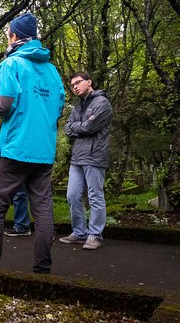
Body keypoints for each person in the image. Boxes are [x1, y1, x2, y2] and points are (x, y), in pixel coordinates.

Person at [0, 11, 65, 274]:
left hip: (14, 148)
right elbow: (59, 108)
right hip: (43, 151)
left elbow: (3, 105)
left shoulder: (11, 64)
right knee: (42, 210)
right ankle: (42, 268)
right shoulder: (52, 71)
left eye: (8, 34)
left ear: (14, 36)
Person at [59, 71, 113, 250]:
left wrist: (79, 126)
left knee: (95, 196)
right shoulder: (77, 106)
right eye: (72, 84)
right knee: (72, 196)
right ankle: (79, 232)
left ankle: (95, 235)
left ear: (89, 82)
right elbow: (68, 128)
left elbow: (91, 127)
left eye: (78, 82)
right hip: (77, 157)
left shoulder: (102, 103)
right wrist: (80, 126)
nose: (75, 86)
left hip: (95, 156)